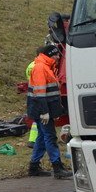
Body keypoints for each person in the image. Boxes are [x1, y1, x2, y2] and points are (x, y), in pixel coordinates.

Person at [27, 44, 68, 178]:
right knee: (50, 136)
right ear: (50, 55)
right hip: (42, 110)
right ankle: (57, 168)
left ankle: (34, 167)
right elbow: (40, 93)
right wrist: (44, 112)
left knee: (41, 137)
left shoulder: (46, 67)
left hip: (42, 109)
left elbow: (50, 92)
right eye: (56, 54)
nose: (58, 57)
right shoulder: (41, 68)